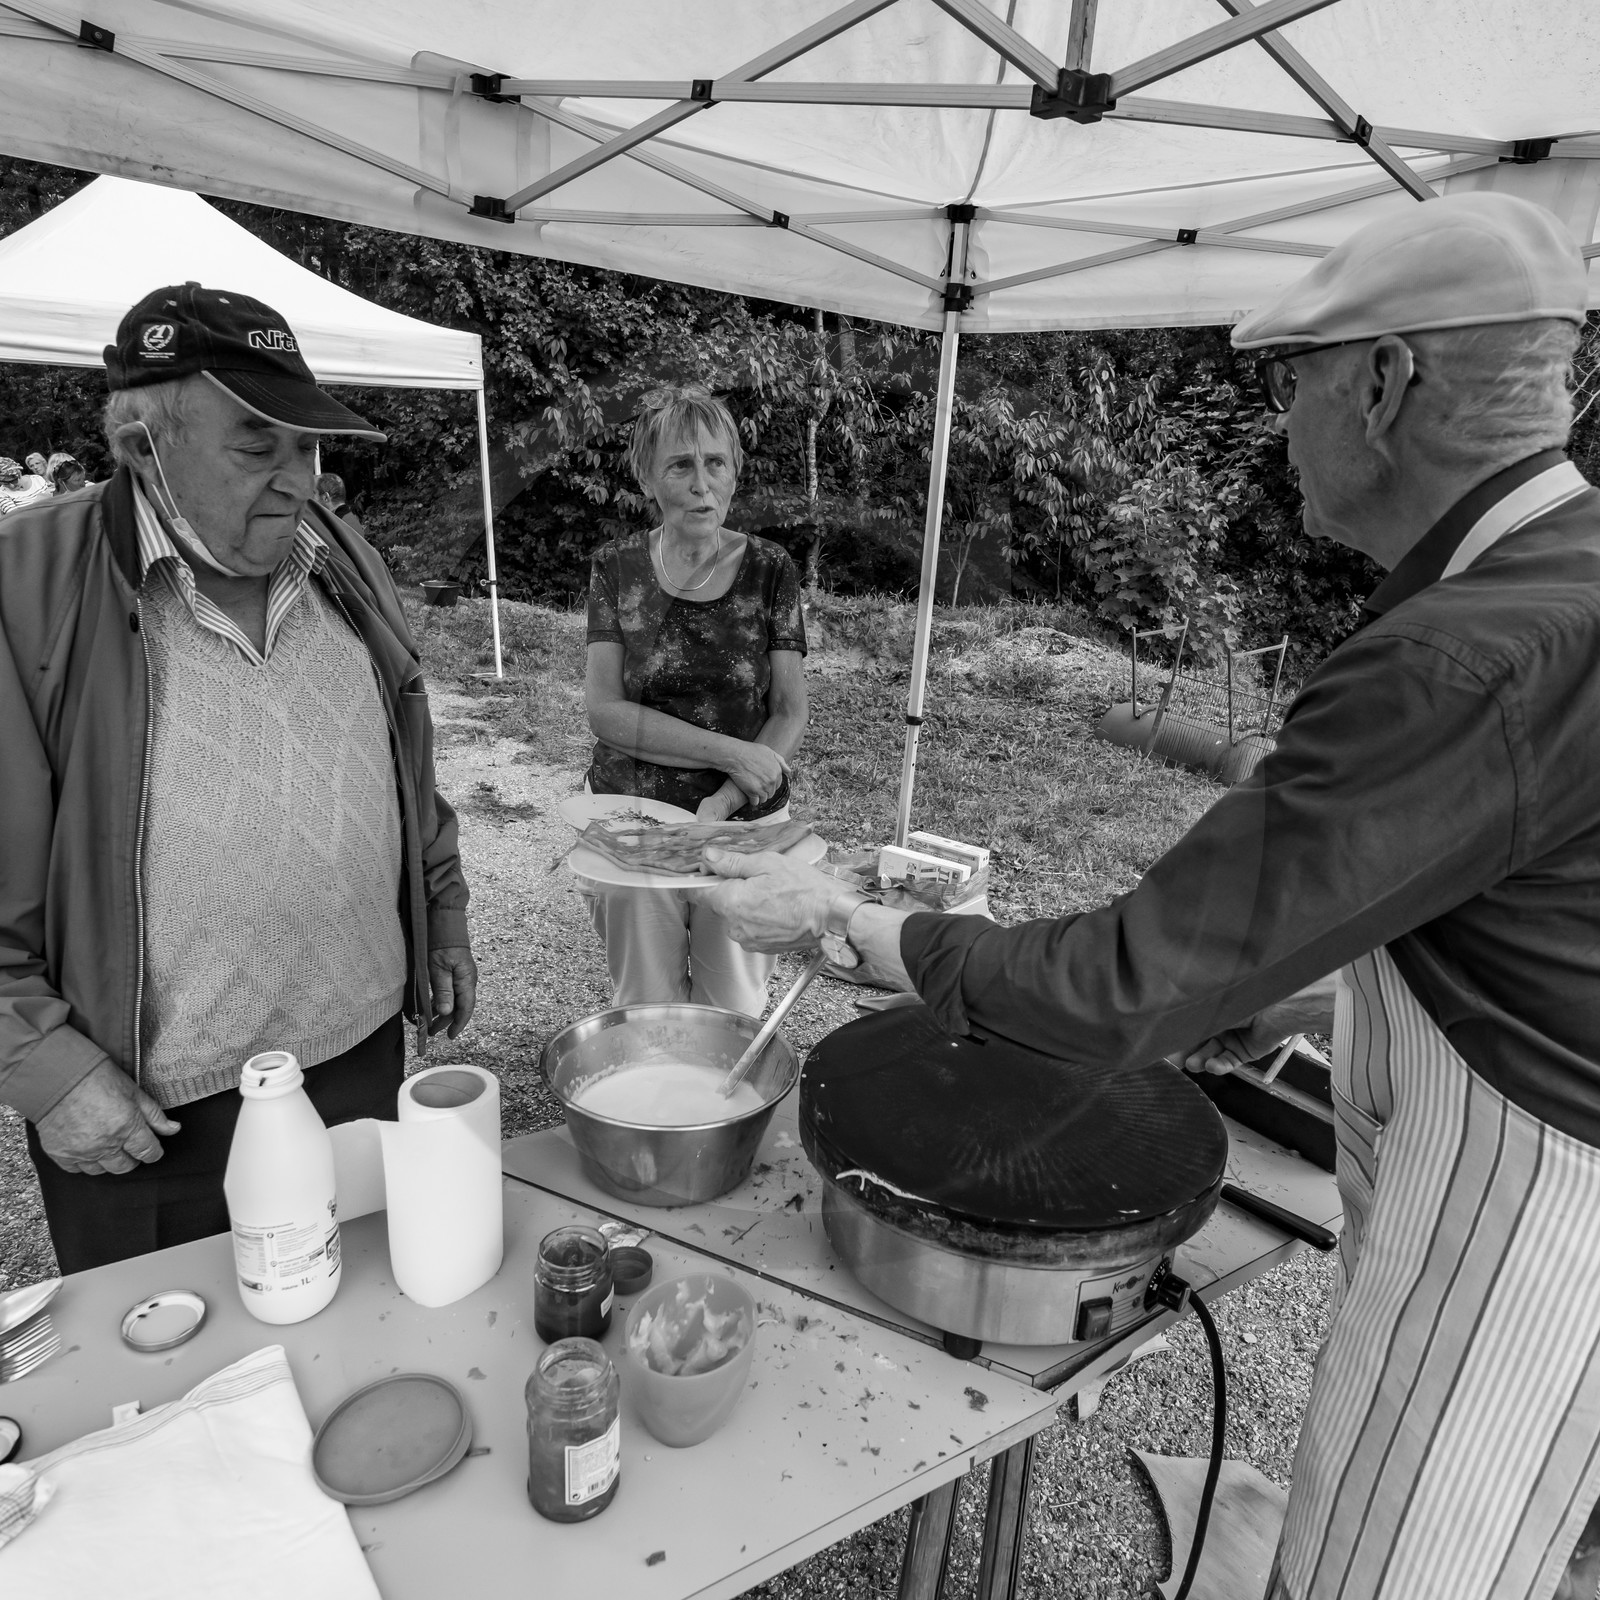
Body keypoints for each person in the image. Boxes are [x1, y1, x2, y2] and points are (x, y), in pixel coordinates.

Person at [703, 193, 1600, 1600]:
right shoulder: (1566, 575)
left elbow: (1131, 982)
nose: (1282, 425)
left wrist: (865, 928)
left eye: (1295, 383)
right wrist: (1299, 993)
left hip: (1534, 1228)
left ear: (1386, 383)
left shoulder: (1464, 651)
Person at [0, 282, 478, 1273]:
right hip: (154, 1115)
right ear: (143, 445)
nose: (301, 478)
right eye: (259, 445)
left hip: (355, 1065)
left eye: (309, 444)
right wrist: (45, 1069)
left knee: (363, 1342)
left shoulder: (340, 554)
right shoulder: (25, 588)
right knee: (185, 1403)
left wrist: (443, 910)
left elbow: (405, 755)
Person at [582, 384, 808, 1017]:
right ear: (648, 478)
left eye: (716, 463)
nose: (701, 484)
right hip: (635, 822)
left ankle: (719, 1115)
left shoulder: (771, 568)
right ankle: (656, 1111)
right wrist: (734, 754)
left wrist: (730, 795)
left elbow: (790, 711)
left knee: (733, 1006)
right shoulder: (616, 567)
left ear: (735, 473)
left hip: (742, 825)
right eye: (680, 464)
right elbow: (606, 712)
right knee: (646, 1006)